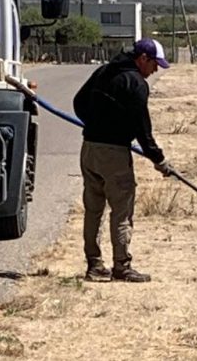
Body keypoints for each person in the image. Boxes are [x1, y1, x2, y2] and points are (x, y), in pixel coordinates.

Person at [73, 38, 174, 283]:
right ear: (143, 59)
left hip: (89, 149)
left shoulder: (104, 71)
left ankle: (94, 265)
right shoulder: (136, 84)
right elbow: (143, 129)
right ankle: (122, 265)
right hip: (114, 154)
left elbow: (79, 102)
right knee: (122, 210)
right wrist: (158, 159)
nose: (156, 70)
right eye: (155, 64)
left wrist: (96, 125)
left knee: (93, 209)